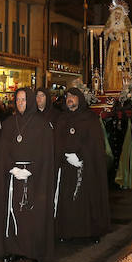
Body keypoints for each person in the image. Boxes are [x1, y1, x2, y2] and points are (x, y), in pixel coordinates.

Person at [0, 88, 55, 262]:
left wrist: (32, 170)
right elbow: (3, 150)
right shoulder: (9, 123)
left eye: (24, 99)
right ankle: (14, 249)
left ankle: (33, 251)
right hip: (14, 176)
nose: (20, 103)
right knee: (14, 212)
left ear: (30, 101)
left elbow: (46, 152)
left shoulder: (41, 124)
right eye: (17, 100)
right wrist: (11, 168)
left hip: (34, 177)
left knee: (31, 214)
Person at [54, 88, 110, 241]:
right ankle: (67, 231)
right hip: (66, 167)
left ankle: (90, 232)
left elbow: (96, 144)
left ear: (80, 98)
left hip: (86, 167)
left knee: (85, 199)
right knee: (68, 200)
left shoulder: (90, 118)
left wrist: (81, 157)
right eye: (67, 96)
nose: (69, 98)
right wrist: (64, 155)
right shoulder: (62, 118)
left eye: (73, 96)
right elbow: (57, 141)